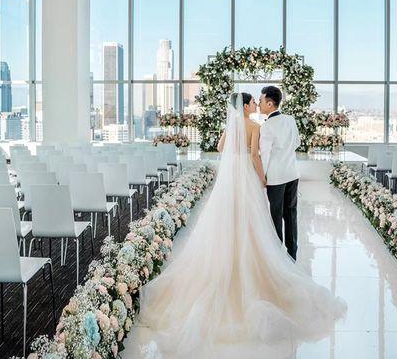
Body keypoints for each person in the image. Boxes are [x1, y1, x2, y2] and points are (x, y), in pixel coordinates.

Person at [138, 92, 346, 359]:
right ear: (246, 106)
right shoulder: (256, 126)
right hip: (247, 178)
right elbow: (257, 157)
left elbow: (222, 147)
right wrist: (262, 179)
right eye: (251, 102)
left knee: (224, 223)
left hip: (228, 184)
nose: (255, 105)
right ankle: (258, 261)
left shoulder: (232, 126)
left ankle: (227, 261)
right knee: (252, 224)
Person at [258, 86, 300, 260]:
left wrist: (263, 176)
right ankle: (292, 254)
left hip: (275, 176)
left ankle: (277, 256)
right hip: (292, 172)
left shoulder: (267, 126)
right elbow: (296, 142)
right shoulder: (290, 119)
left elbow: (265, 155)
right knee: (291, 214)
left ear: (269, 103)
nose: (259, 104)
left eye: (260, 101)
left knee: (275, 215)